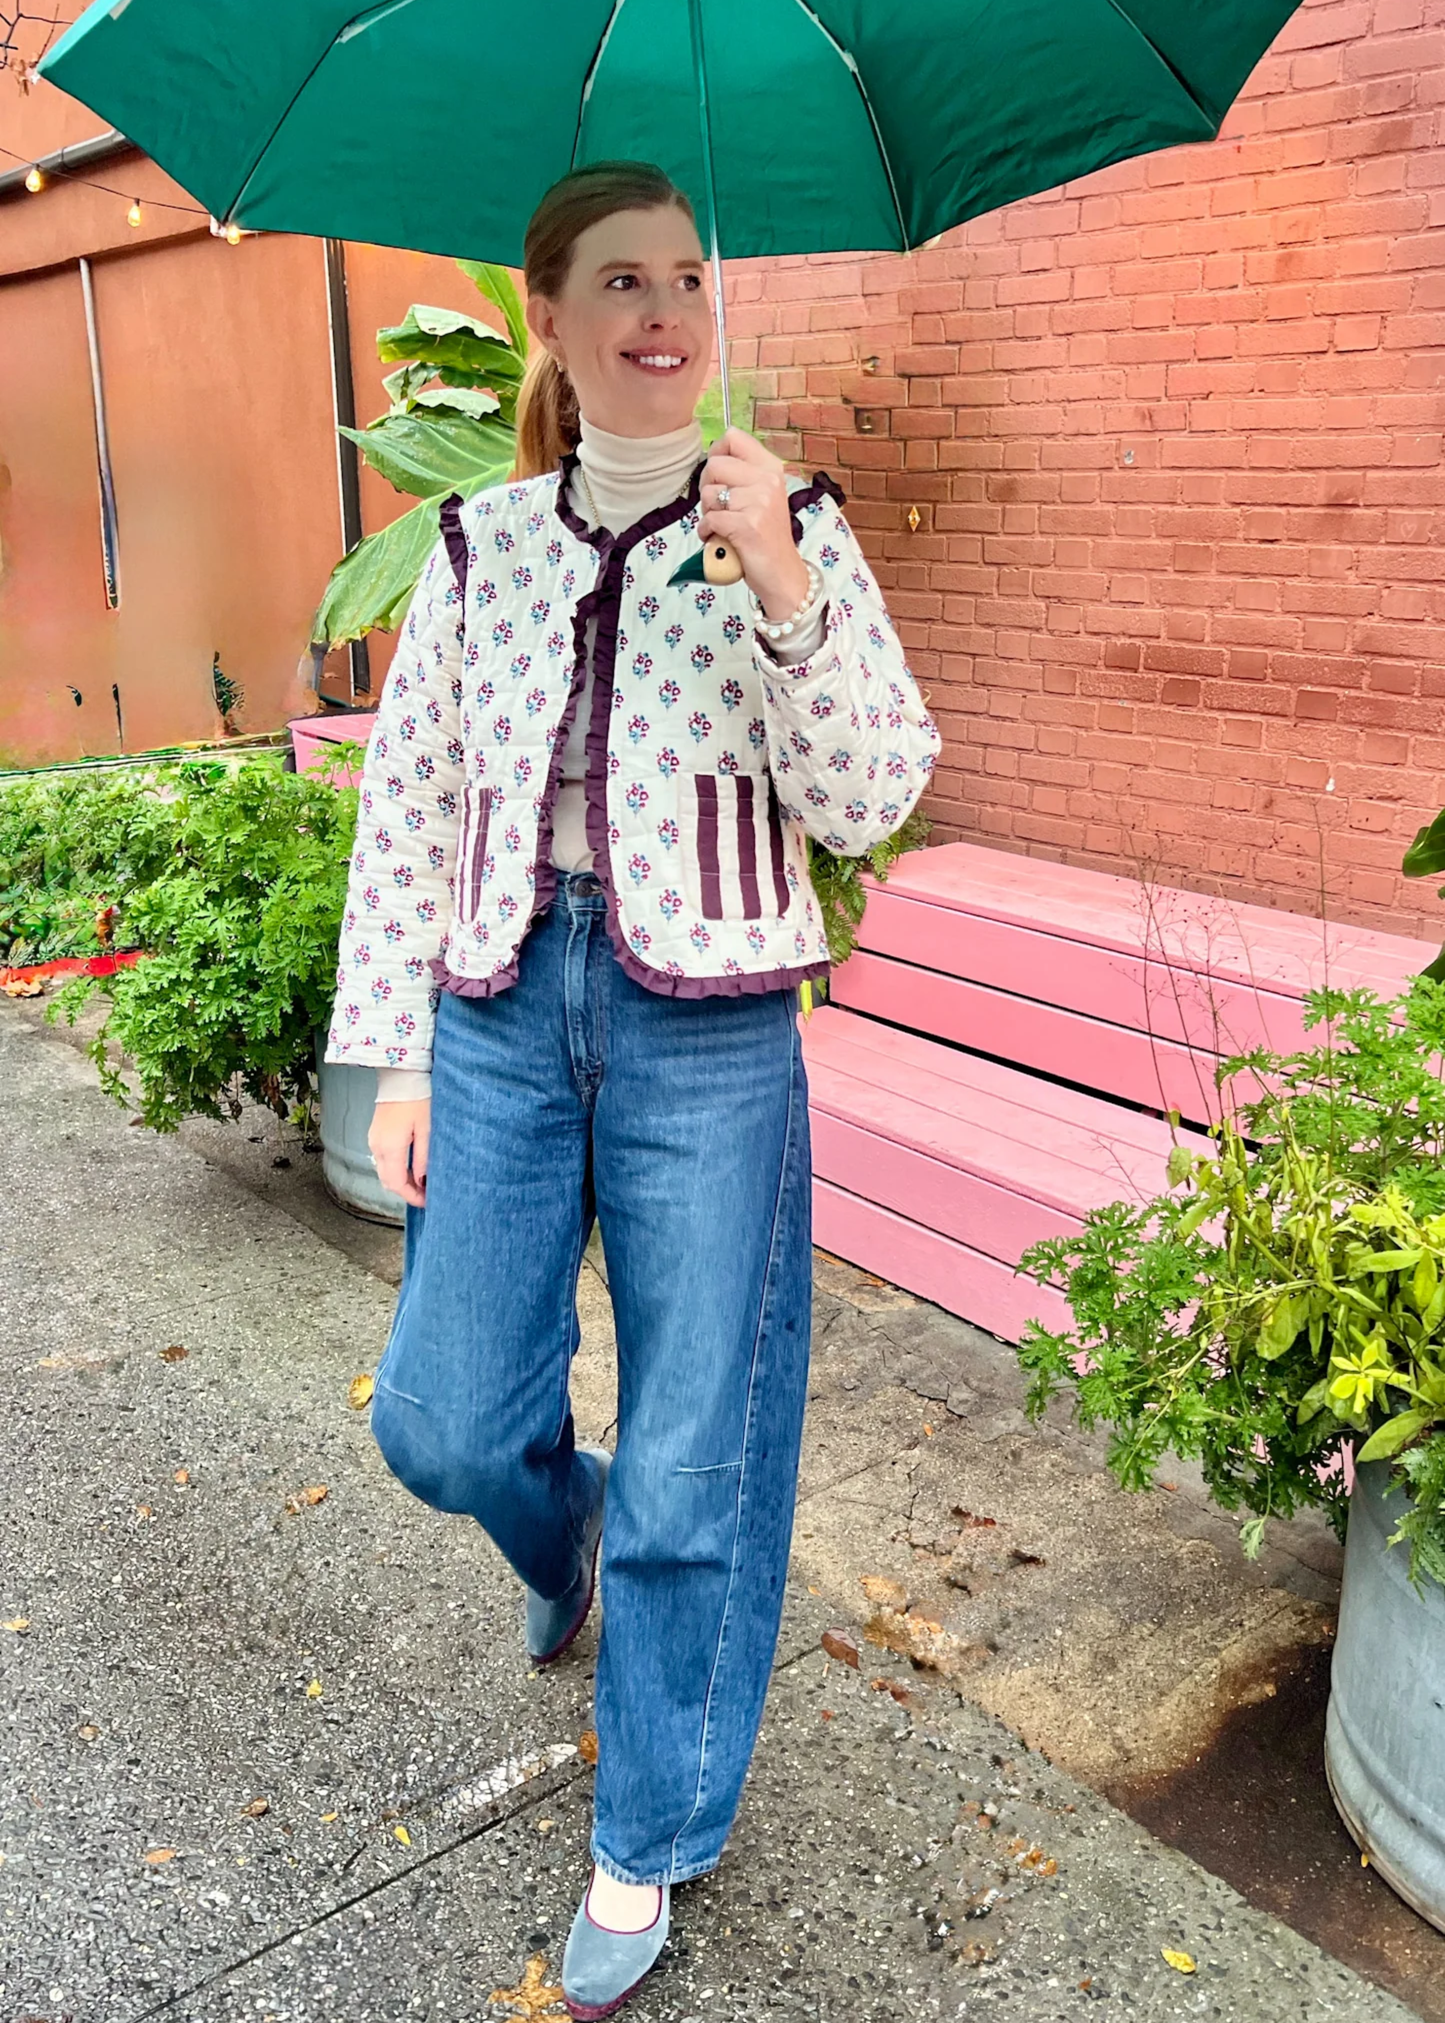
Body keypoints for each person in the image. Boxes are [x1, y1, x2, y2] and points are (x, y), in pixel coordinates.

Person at [325, 158, 940, 2020]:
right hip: (505, 1007)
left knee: (701, 1454)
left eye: (687, 275)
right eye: (620, 279)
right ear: (553, 319)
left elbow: (876, 797)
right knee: (437, 1416)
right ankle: (559, 1527)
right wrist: (402, 1053)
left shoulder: (792, 526)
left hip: (712, 1032)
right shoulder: (478, 548)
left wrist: (779, 586)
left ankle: (648, 1831)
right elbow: (408, 809)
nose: (662, 308)